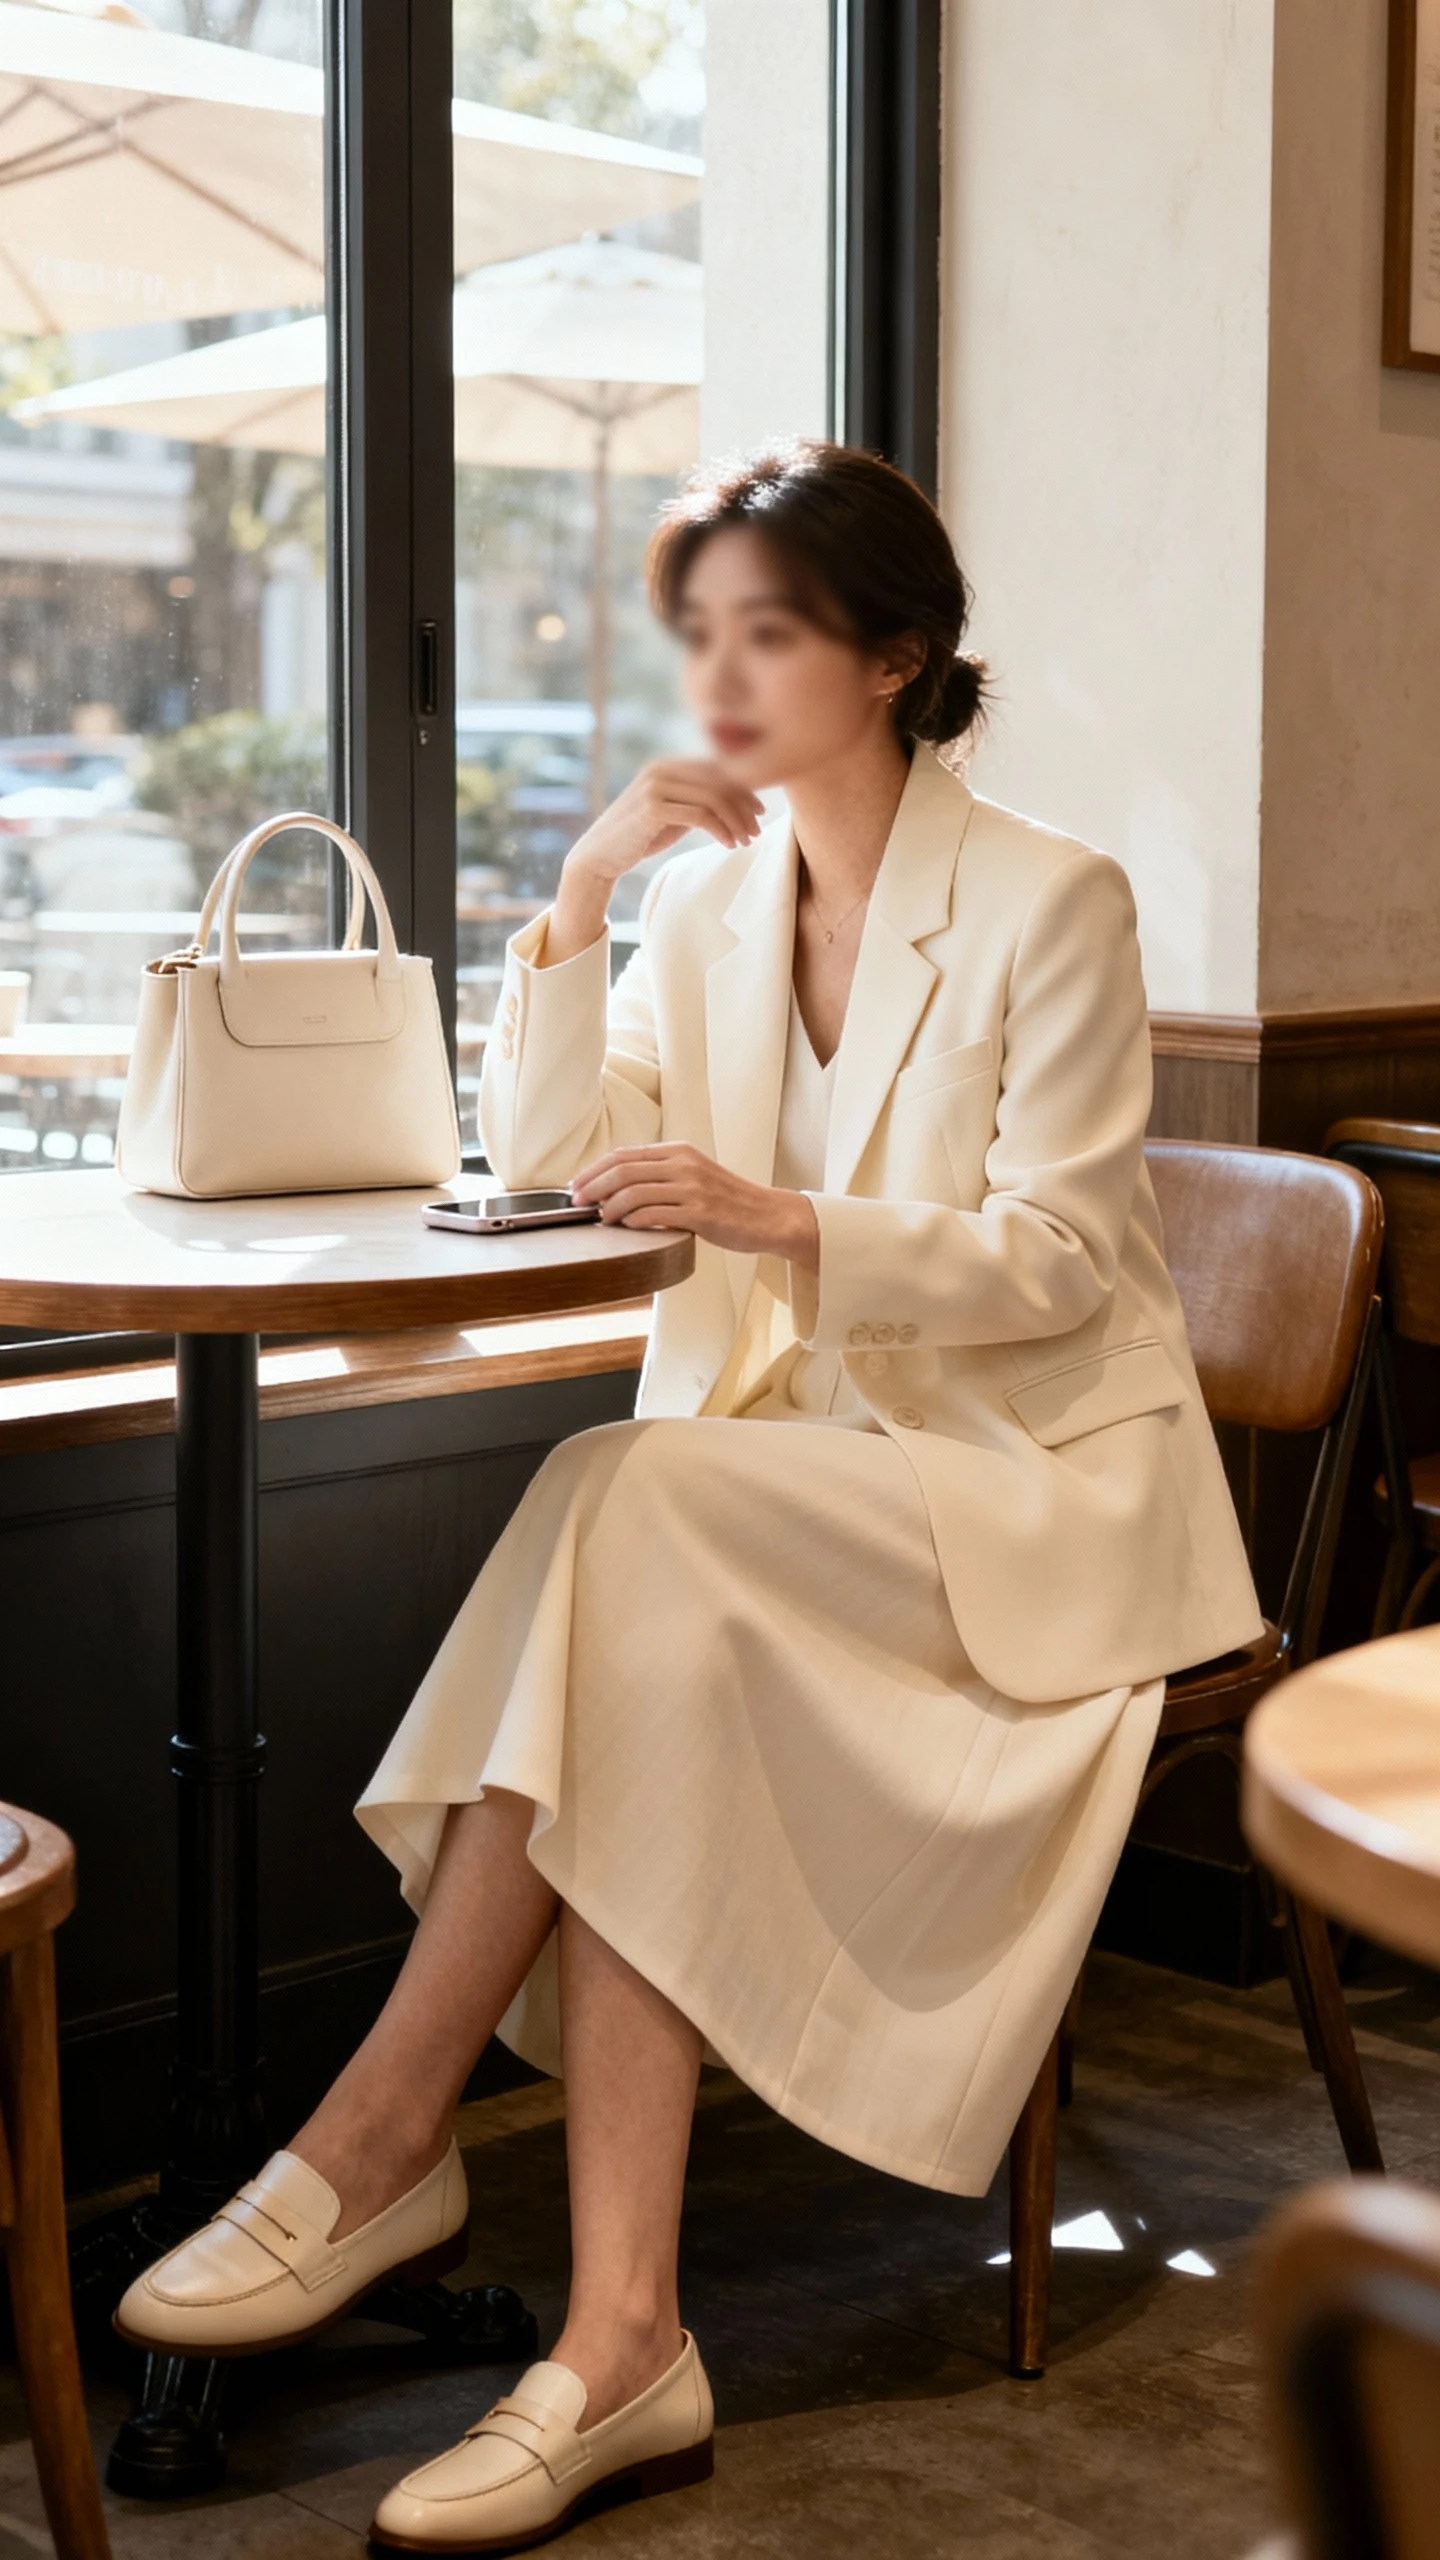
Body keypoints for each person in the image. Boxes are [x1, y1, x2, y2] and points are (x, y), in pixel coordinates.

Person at [116, 440, 1262, 2554]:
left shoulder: (1050, 897)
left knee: (619, 1497)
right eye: (702, 633)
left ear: (899, 656)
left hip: (1023, 1500)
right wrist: (577, 892)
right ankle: (622, 2328)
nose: (723, 675)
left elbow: (1076, 1265)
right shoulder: (714, 907)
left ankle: (380, 2132)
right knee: (641, 1580)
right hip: (786, 1485)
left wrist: (783, 1215)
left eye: (778, 630)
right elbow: (562, 1150)